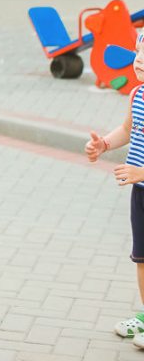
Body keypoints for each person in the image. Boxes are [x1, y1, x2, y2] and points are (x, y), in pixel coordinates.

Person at [85, 31, 144, 349]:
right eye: (139, 52)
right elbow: (127, 129)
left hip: (141, 179)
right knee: (142, 258)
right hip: (141, 192)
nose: (140, 60)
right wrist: (104, 144)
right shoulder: (138, 94)